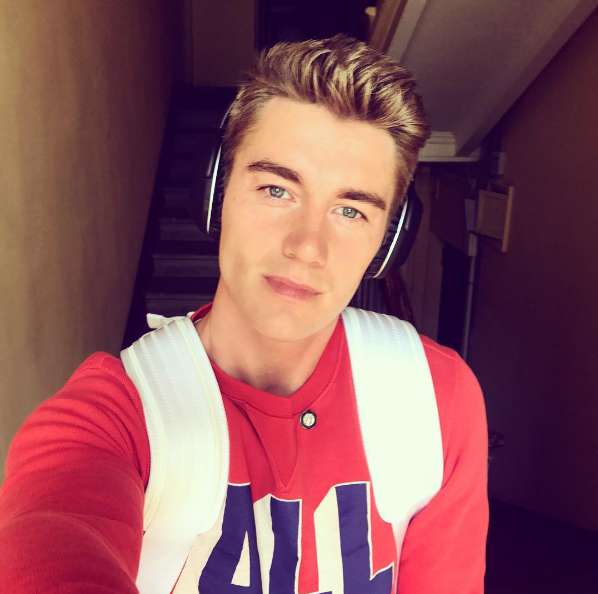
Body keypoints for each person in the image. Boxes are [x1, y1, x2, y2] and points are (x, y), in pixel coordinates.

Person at [0, 35, 488, 593]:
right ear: (217, 194)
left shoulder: (436, 399)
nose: (307, 247)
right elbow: (49, 536)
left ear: (388, 242)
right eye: (277, 190)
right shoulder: (113, 416)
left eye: (351, 210)